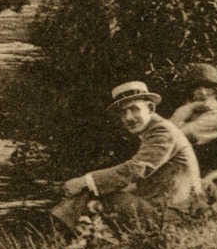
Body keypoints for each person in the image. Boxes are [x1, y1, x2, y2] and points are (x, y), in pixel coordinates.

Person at [51, 80, 202, 234]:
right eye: (123, 112)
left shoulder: (162, 132)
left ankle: (58, 237)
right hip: (167, 209)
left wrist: (85, 181)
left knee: (100, 198)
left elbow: (136, 169)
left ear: (150, 108)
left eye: (134, 109)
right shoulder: (153, 130)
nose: (128, 117)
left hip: (174, 216)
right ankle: (66, 237)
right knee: (94, 195)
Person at [168, 63, 217, 146]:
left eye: (207, 86)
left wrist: (184, 111)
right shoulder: (200, 113)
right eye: (195, 87)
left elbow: (167, 137)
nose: (202, 92)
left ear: (216, 91)